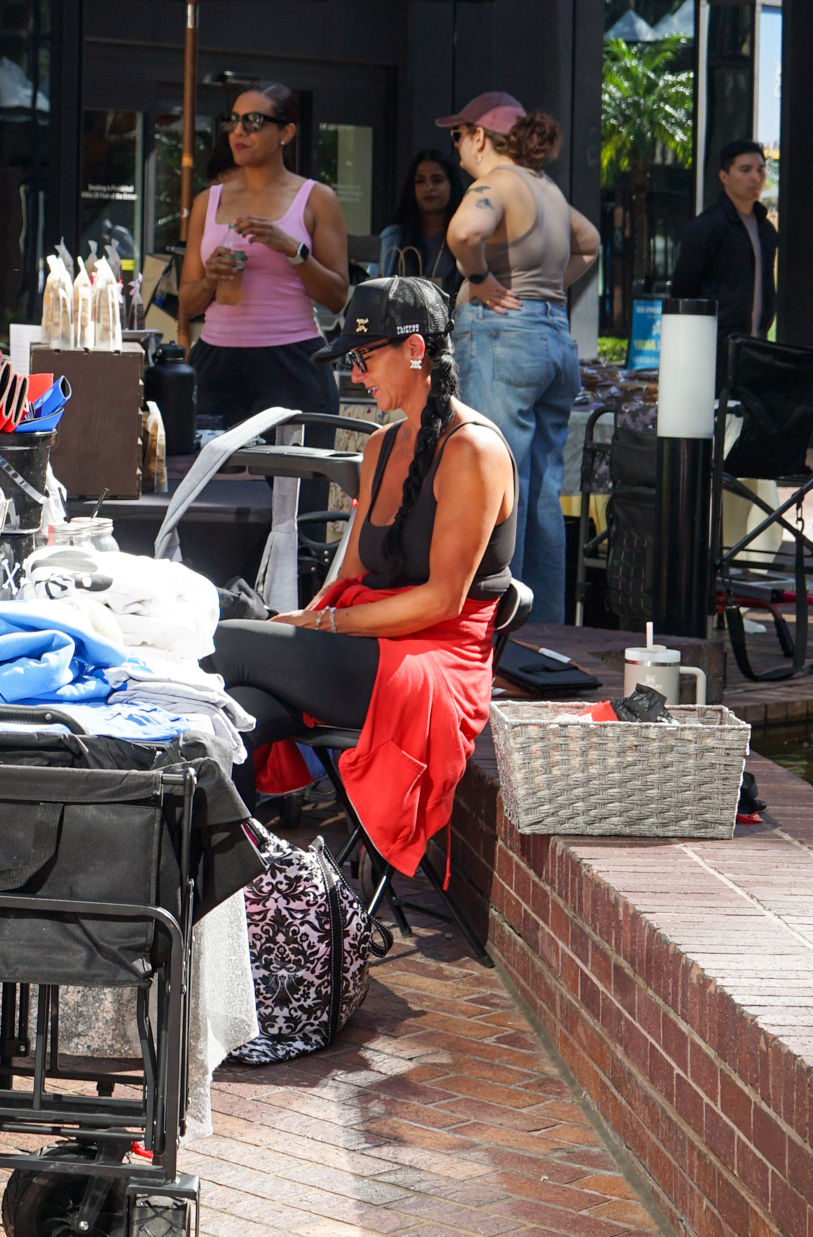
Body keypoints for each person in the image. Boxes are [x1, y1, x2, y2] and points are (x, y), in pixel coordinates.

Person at [207, 279, 516, 876]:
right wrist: (311, 617)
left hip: (431, 662)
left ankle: (242, 894)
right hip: (368, 641)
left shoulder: (473, 450)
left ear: (416, 349)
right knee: (232, 712)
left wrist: (324, 624)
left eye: (365, 357)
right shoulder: (380, 446)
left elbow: (442, 601)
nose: (355, 375)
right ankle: (239, 900)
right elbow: (351, 572)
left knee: (222, 640)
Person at [441, 91, 600, 624]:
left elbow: (464, 232)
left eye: (458, 135)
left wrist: (482, 279)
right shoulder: (546, 187)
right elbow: (590, 242)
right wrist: (546, 290)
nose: (456, 147)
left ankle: (491, 629)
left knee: (496, 483)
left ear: (479, 137)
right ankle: (544, 633)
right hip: (554, 338)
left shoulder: (498, 182)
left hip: (505, 339)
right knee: (541, 494)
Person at [177, 82, 350, 428]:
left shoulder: (317, 199)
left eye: (253, 122)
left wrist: (291, 249)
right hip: (216, 361)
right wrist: (210, 280)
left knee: (293, 465)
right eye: (233, 120)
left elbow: (336, 297)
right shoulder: (207, 201)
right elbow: (187, 302)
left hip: (291, 360)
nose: (238, 131)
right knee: (208, 463)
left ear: (286, 132)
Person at [671, 137, 776, 378]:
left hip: (755, 350)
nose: (756, 177)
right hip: (712, 351)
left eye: (760, 170)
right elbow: (683, 291)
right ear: (724, 176)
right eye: (745, 170)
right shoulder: (707, 227)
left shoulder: (767, 231)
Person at [377, 148, 466, 296]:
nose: (429, 187)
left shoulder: (465, 235)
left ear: (452, 185)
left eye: (437, 180)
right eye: (420, 181)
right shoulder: (393, 237)